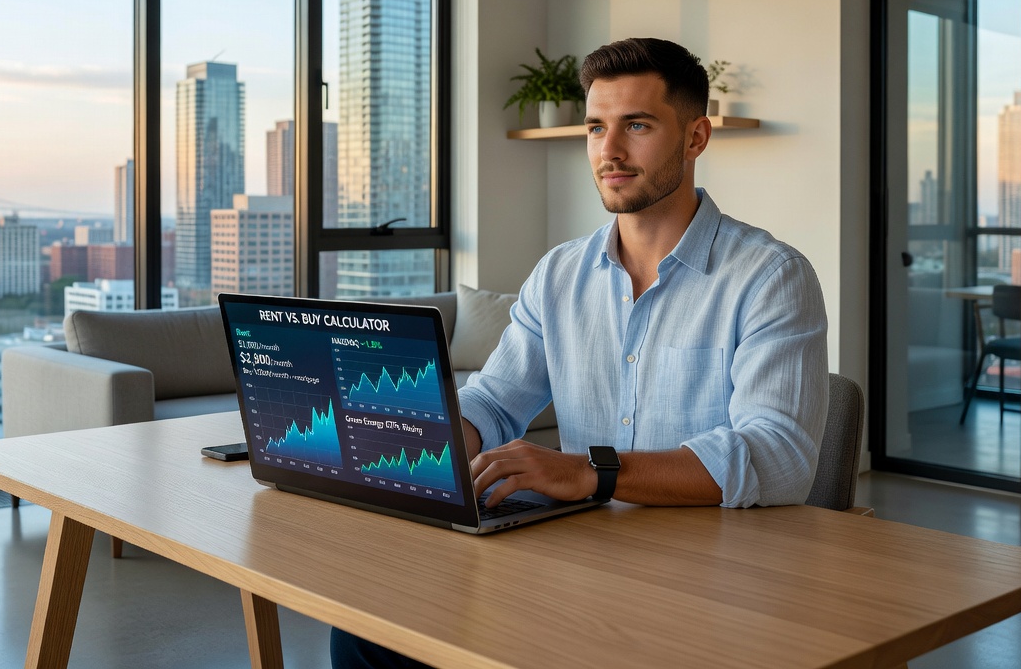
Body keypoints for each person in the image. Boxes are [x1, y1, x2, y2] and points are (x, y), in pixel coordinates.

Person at [330, 37, 829, 669]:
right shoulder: (559, 273)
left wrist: (593, 470)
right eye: (596, 128)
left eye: (638, 126)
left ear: (697, 137)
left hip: (714, 579)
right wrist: (440, 437)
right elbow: (494, 396)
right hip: (577, 555)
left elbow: (779, 456)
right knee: (366, 624)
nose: (609, 152)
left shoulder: (770, 277)